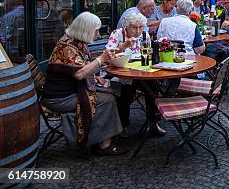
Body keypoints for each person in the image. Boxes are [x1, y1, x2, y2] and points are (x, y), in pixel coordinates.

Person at [42, 12, 126, 154]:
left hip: (70, 90)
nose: (98, 35)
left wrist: (94, 76)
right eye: (96, 31)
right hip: (60, 98)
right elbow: (79, 74)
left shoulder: (74, 41)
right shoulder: (67, 47)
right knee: (107, 99)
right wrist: (101, 59)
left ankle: (109, 134)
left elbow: (82, 66)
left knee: (116, 88)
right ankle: (103, 144)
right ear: (86, 30)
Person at [105, 13, 163, 136]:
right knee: (126, 90)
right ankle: (123, 124)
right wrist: (124, 46)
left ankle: (153, 122)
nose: (137, 31)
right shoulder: (118, 34)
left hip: (140, 72)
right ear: (127, 26)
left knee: (153, 86)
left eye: (140, 27)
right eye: (134, 27)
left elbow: (148, 54)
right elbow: (107, 55)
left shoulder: (144, 35)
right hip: (120, 72)